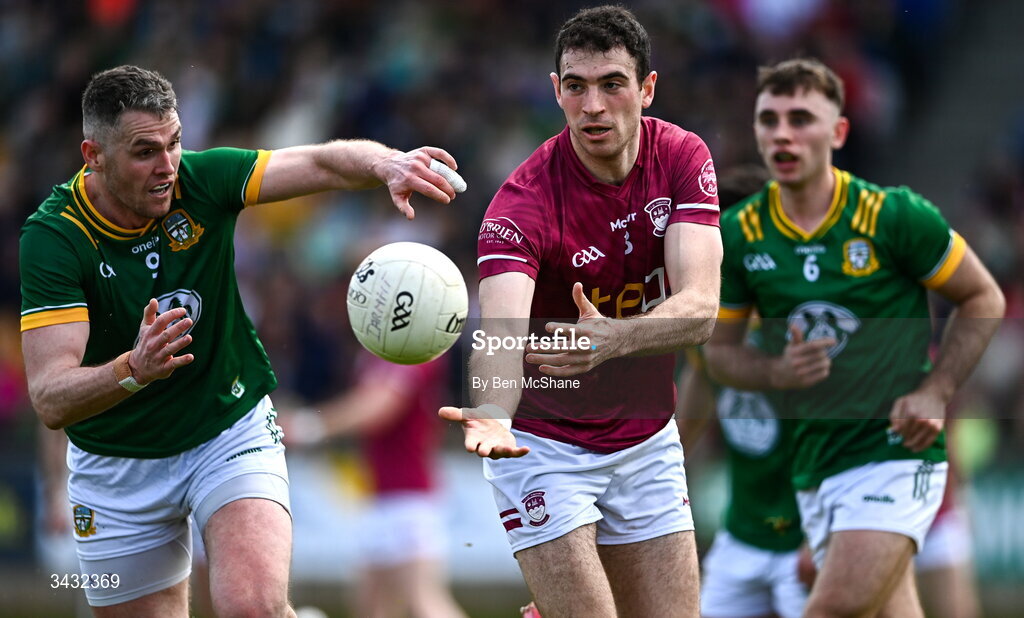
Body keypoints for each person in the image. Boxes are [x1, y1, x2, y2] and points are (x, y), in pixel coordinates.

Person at [19, 65, 463, 617]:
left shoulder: (204, 180)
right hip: (115, 463)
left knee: (251, 607)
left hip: (227, 429)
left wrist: (385, 162)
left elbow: (322, 162)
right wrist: (131, 367)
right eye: (144, 152)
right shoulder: (55, 238)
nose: (167, 167)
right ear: (94, 155)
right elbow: (50, 396)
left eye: (175, 142)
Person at [439, 6, 722, 618]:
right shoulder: (521, 204)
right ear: (556, 92)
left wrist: (610, 340)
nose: (593, 105)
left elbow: (701, 309)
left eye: (612, 84)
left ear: (646, 89)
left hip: (647, 440)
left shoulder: (682, 157)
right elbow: (502, 334)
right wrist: (491, 412)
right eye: (576, 86)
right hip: (543, 447)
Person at [704, 58, 1005, 617]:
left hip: (893, 452)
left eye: (801, 118)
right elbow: (718, 356)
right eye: (769, 120)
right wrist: (775, 372)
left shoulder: (894, 217)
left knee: (831, 609)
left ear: (839, 132)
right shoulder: (739, 235)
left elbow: (984, 298)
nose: (783, 134)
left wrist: (936, 391)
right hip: (815, 468)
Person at [285, 350, 467, 618]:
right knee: (372, 607)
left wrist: (310, 426)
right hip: (380, 496)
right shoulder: (382, 350)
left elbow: (379, 407)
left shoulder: (418, 348)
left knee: (423, 601)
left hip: (409, 498)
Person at [678, 335, 808, 618]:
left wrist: (826, 536)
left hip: (808, 531)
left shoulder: (794, 316)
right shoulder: (714, 318)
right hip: (741, 528)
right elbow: (701, 372)